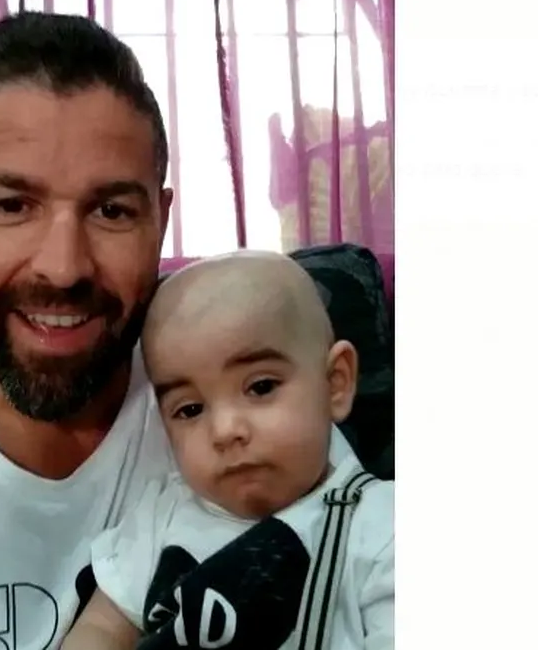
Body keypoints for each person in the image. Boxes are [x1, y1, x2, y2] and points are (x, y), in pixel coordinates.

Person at [0, 11, 177, 650]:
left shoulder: (253, 423)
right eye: (13, 205)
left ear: (160, 223)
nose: (63, 268)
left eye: (111, 210)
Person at [61, 251, 395, 650]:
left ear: (335, 383)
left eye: (261, 387)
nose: (224, 431)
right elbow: (101, 628)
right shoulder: (160, 516)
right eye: (190, 410)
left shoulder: (382, 524)